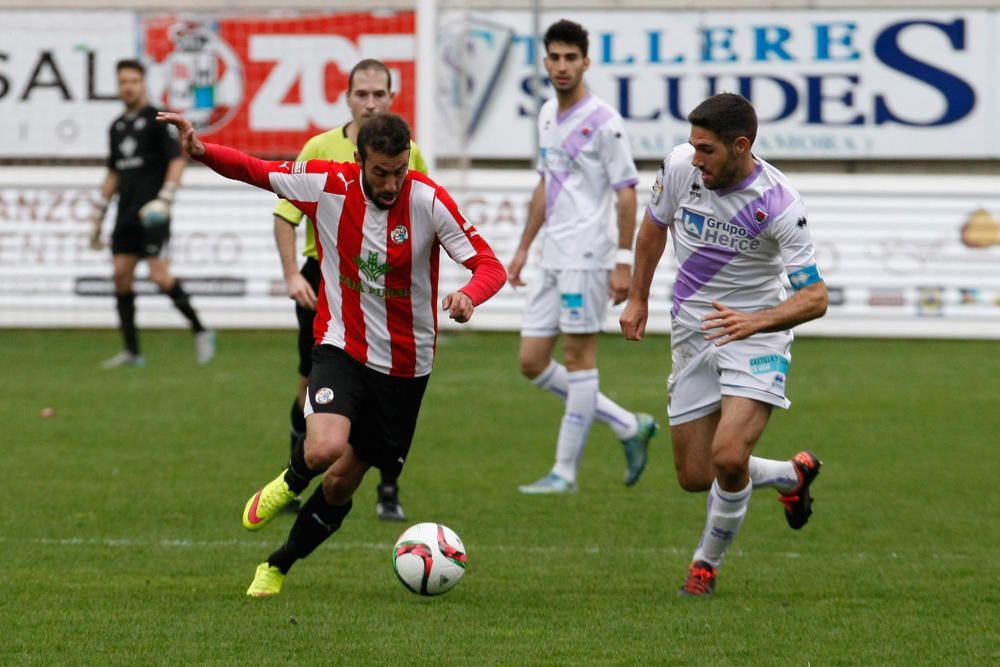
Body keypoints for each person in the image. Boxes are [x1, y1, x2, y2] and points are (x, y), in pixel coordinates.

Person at [156, 109, 507, 598]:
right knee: (323, 448)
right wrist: (201, 151)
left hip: (406, 369)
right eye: (381, 171)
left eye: (399, 170)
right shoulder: (327, 184)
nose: (391, 183)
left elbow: (489, 264)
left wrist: (470, 293)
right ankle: (291, 479)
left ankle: (277, 565)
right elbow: (257, 170)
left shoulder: (428, 199)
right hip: (341, 342)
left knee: (342, 483)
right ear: (359, 159)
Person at [619, 92, 829, 597]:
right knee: (696, 474)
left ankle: (704, 566)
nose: (696, 158)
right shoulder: (678, 168)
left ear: (740, 146)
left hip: (757, 336)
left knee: (729, 457)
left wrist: (756, 322)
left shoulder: (780, 204)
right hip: (692, 334)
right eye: (693, 146)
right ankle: (789, 476)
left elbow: (815, 297)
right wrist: (637, 298)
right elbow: (652, 230)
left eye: (706, 149)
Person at [273, 59, 428, 522]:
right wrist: (292, 276)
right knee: (309, 382)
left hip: (383, 284)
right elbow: (285, 213)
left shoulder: (407, 151)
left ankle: (388, 490)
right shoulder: (320, 146)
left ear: (392, 98)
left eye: (379, 94)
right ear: (347, 97)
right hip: (325, 278)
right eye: (362, 94)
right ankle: (294, 479)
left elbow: (422, 216)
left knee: (388, 387)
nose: (370, 102)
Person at [508, 19, 657, 494]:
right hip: (553, 254)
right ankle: (628, 424)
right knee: (532, 361)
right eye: (554, 57)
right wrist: (524, 247)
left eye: (571, 58)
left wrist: (621, 260)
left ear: (585, 62)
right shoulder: (547, 115)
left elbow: (628, 192)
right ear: (546, 62)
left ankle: (564, 473)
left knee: (578, 358)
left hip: (588, 256)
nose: (562, 66)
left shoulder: (605, 122)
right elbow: (544, 183)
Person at [90, 59, 216, 368]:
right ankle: (133, 352)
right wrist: (98, 214)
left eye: (133, 80)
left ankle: (201, 330)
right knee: (121, 276)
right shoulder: (117, 127)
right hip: (125, 214)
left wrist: (166, 198)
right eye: (122, 82)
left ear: (143, 83)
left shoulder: (157, 120)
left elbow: (176, 160)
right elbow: (114, 174)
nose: (128, 86)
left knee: (160, 277)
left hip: (153, 214)